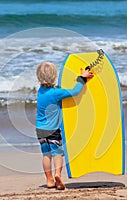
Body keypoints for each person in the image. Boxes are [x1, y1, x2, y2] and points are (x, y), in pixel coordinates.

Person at [35, 61, 94, 190]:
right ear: (54, 76)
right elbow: (75, 91)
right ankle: (57, 175)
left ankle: (49, 180)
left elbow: (56, 90)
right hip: (53, 130)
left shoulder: (40, 91)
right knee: (58, 153)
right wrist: (82, 77)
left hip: (39, 129)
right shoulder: (56, 93)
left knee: (46, 154)